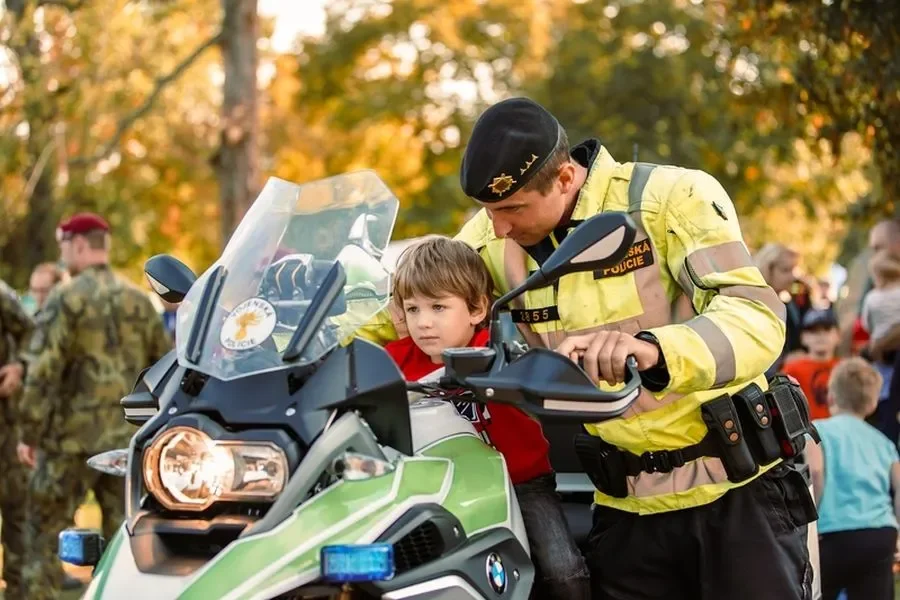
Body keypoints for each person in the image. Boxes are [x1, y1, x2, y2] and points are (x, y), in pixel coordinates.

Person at [360, 97, 813, 599]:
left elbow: (756, 315)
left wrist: (655, 349)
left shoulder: (670, 198)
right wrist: (287, 340)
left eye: (512, 209)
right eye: (489, 212)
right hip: (628, 509)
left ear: (563, 179)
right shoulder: (491, 235)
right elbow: (410, 301)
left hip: (738, 495)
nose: (500, 226)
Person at [384, 236, 589, 599]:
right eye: (413, 309)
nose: (424, 323)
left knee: (563, 572)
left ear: (477, 309)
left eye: (438, 307)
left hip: (520, 480)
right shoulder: (395, 361)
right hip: (437, 486)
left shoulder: (497, 351)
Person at [17, 212, 173, 599]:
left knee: (41, 537)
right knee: (129, 542)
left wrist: (28, 434)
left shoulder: (65, 299)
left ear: (80, 245)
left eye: (64, 246)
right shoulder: (139, 301)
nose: (61, 254)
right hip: (128, 442)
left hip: (69, 443)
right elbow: (165, 370)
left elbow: (42, 372)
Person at [805, 358, 900, 600]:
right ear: (872, 403)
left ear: (831, 396)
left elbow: (815, 472)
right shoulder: (883, 441)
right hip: (879, 533)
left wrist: (810, 522)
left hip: (833, 532)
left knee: (818, 592)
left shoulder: (818, 431)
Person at [0, 279, 33, 600]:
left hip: (5, 425)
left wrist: (19, 367)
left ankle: (18, 591)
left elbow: (33, 333)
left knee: (14, 508)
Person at [783, 309, 841, 421]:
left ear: (838, 335)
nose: (821, 336)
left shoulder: (846, 369)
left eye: (827, 329)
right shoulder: (791, 370)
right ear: (803, 337)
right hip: (807, 433)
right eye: (813, 331)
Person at [754, 242, 803, 374]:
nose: (792, 276)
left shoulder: (788, 303)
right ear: (768, 269)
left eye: (793, 270)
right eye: (785, 270)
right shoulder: (756, 305)